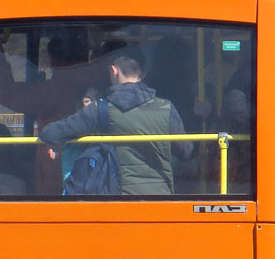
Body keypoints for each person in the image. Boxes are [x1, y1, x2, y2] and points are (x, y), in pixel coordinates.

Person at [40, 48, 191, 196]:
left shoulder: (100, 109)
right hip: (161, 198)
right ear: (143, 75)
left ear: (113, 70)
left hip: (117, 199)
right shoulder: (166, 108)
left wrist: (55, 142)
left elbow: (52, 132)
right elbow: (185, 151)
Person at [0, 29, 107, 195]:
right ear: (84, 55)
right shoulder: (103, 79)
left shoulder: (53, 90)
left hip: (56, 172)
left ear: (53, 59)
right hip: (102, 166)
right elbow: (100, 66)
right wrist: (99, 45)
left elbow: (5, 92)